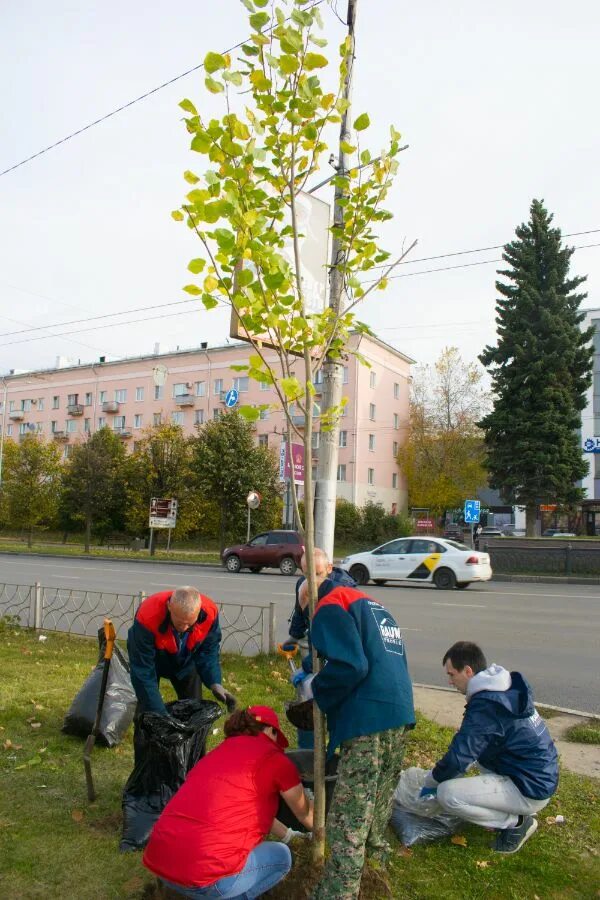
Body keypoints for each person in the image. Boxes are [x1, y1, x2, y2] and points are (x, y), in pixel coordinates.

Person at [307, 570, 415, 900]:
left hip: (368, 718)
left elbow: (351, 666)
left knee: (349, 817)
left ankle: (337, 893)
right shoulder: (375, 605)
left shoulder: (328, 605)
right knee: (379, 801)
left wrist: (319, 691)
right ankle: (374, 868)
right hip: (399, 711)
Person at [143, 705, 313, 898]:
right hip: (207, 880)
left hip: (161, 863)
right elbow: (306, 815)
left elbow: (252, 812)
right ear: (269, 729)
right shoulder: (274, 759)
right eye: (276, 735)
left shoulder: (216, 755)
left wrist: (289, 835)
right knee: (282, 857)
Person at [421, 641, 559, 854]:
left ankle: (517, 823)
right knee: (471, 763)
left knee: (447, 793)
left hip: (531, 787)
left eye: (451, 675)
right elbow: (470, 750)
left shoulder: (487, 706)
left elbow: (459, 758)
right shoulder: (502, 689)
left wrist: (430, 780)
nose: (450, 682)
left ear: (468, 671)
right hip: (537, 775)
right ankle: (513, 809)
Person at [127, 586, 236, 716]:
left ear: (198, 611)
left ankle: (192, 736)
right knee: (148, 711)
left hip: (187, 660)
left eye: (189, 624)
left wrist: (215, 682)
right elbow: (143, 670)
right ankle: (145, 733)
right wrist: (159, 713)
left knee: (193, 710)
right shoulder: (147, 616)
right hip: (155, 658)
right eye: (179, 622)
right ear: (169, 606)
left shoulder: (209, 613)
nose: (184, 628)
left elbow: (208, 651)